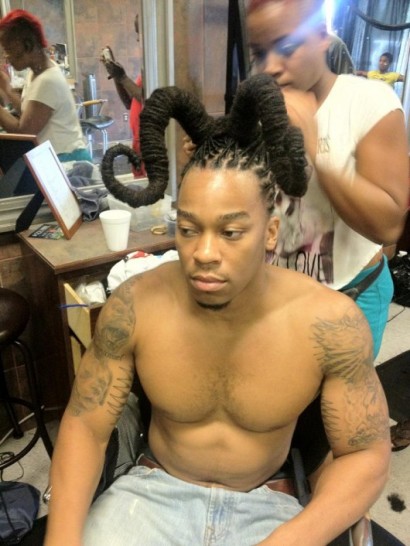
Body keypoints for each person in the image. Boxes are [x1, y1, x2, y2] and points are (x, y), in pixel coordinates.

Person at [44, 74, 391, 546]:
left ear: (270, 233)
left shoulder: (329, 323)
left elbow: (366, 453)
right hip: (151, 494)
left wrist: (291, 540)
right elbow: (85, 425)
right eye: (189, 230)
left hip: (267, 506)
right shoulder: (135, 305)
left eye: (230, 233)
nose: (204, 253)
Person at [243, 0, 409, 359]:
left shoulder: (370, 101)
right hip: (279, 292)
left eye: (287, 47)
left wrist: (314, 149)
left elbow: (387, 225)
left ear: (321, 36)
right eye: (260, 53)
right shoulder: (263, 109)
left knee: (334, 395)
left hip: (351, 293)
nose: (270, 66)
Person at [0, 9, 91, 163]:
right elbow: (28, 113)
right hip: (57, 157)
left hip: (68, 161)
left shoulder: (48, 80)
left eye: (8, 50)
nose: (6, 57)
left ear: (27, 45)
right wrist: (7, 89)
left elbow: (24, 132)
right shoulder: (35, 73)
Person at [100, 15, 145, 177]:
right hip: (139, 142)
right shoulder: (146, 67)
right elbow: (129, 103)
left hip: (148, 144)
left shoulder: (157, 65)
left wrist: (123, 77)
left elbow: (148, 99)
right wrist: (117, 77)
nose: (138, 39)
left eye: (140, 33)